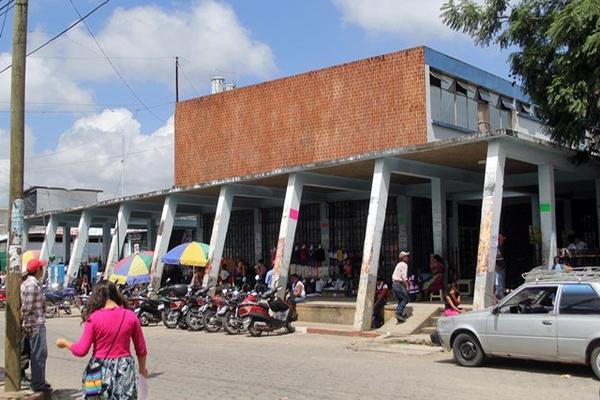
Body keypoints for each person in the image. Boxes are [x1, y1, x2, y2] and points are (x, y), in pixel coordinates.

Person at [56, 280, 148, 399]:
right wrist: (142, 369)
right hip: (124, 371)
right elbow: (141, 349)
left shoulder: (93, 318)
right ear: (116, 294)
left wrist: (64, 343)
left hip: (97, 372)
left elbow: (81, 350)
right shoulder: (130, 316)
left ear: (96, 297)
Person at [21, 259, 51, 394]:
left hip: (35, 323)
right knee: (38, 354)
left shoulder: (33, 284)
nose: (43, 270)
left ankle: (38, 381)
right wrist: (27, 326)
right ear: (38, 270)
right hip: (34, 324)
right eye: (42, 268)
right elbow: (27, 308)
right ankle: (38, 384)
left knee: (40, 354)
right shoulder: (32, 285)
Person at [392, 251, 410, 322]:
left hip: (394, 284)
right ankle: (398, 313)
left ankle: (400, 315)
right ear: (403, 258)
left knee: (400, 299)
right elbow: (404, 277)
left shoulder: (399, 264)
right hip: (398, 284)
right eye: (406, 256)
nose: (408, 258)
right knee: (405, 299)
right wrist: (407, 286)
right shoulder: (404, 265)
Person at [495, 234, 507, 301]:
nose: (503, 241)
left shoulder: (500, 247)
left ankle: (501, 297)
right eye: (502, 240)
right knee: (499, 284)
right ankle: (500, 298)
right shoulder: (496, 248)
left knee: (501, 283)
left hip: (501, 268)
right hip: (498, 269)